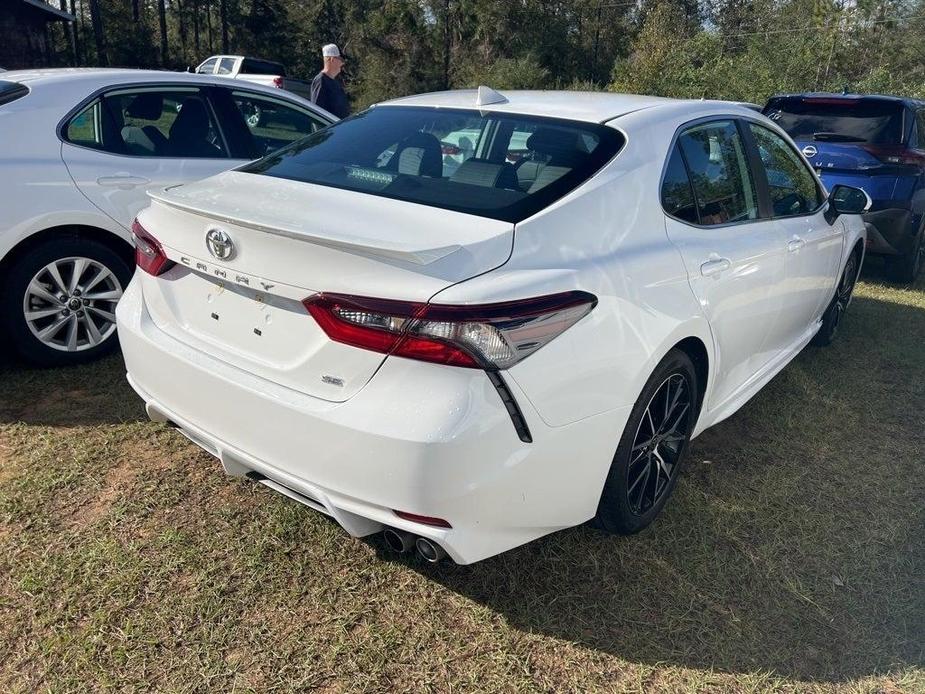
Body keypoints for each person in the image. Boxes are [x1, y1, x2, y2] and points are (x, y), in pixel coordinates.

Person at [310, 44, 349, 119]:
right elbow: (316, 112)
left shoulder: (336, 82)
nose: (342, 63)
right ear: (332, 59)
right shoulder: (321, 80)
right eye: (341, 59)